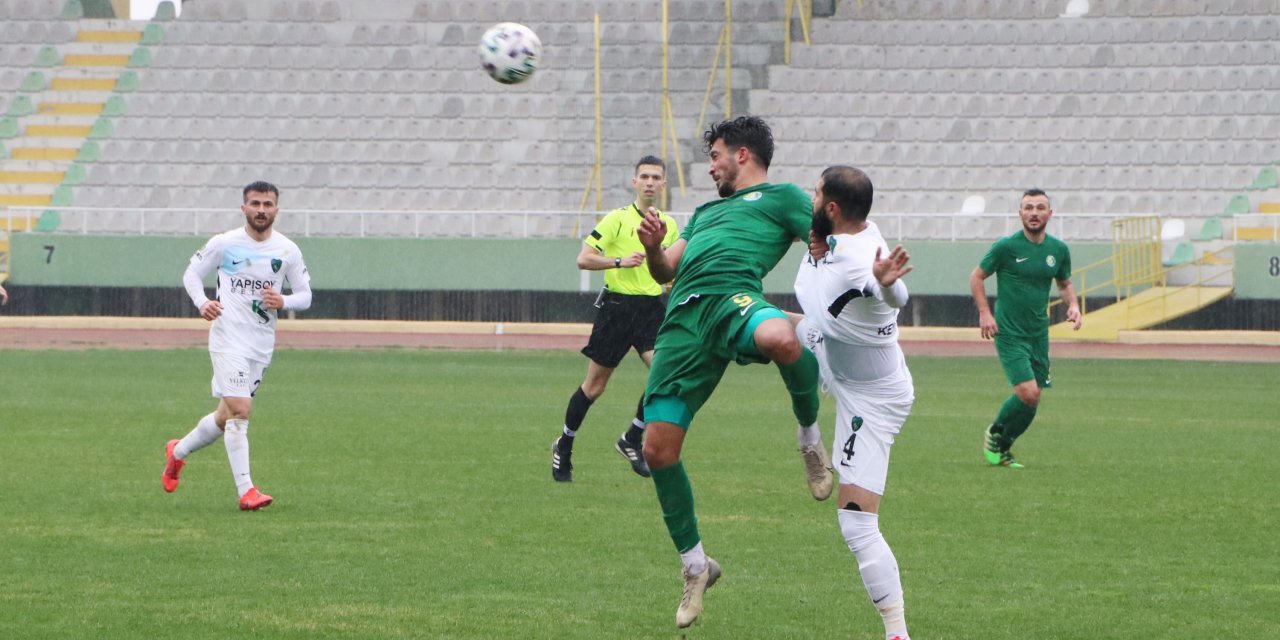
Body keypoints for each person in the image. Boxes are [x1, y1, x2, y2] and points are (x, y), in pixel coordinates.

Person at [635, 115, 832, 629]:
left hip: (733, 298)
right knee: (657, 450)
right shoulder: (702, 214)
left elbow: (827, 232)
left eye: (715, 156)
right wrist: (655, 245)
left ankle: (810, 437)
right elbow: (664, 271)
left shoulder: (783, 197)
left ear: (741, 154)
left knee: (780, 337)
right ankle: (696, 566)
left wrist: (823, 245)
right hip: (681, 321)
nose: (711, 168)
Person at [792, 166, 914, 640]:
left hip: (872, 397)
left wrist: (885, 283)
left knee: (857, 525)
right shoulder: (842, 236)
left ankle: (897, 634)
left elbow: (894, 294)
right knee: (755, 324)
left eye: (817, 193)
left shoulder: (865, 260)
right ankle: (809, 437)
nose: (811, 198)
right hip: (831, 350)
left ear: (834, 208)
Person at [162, 181, 312, 510]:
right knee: (242, 410)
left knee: (224, 416)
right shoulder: (225, 243)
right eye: (255, 203)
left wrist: (284, 299)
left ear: (277, 209)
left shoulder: (288, 250)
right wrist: (202, 302)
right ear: (243, 208)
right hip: (228, 338)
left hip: (261, 343)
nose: (261, 209)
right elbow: (191, 274)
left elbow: (306, 296)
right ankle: (246, 491)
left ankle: (176, 452)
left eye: (268, 204)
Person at [551, 156, 679, 482]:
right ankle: (564, 444)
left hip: (652, 310)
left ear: (664, 184)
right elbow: (583, 259)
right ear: (634, 182)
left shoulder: (670, 225)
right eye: (645, 176)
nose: (650, 182)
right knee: (595, 387)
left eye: (656, 177)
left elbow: (670, 272)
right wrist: (619, 261)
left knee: (666, 375)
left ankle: (632, 438)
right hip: (617, 309)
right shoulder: (616, 220)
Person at [969, 188, 1081, 469]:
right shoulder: (1006, 247)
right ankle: (995, 432)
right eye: (1028, 207)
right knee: (1028, 391)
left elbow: (1064, 283)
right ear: (1020, 213)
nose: (1034, 212)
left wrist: (1074, 306)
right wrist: (985, 313)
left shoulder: (1058, 250)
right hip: (1009, 332)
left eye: (1040, 207)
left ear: (1049, 214)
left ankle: (1004, 448)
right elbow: (977, 276)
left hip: (1038, 333)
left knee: (1034, 398)